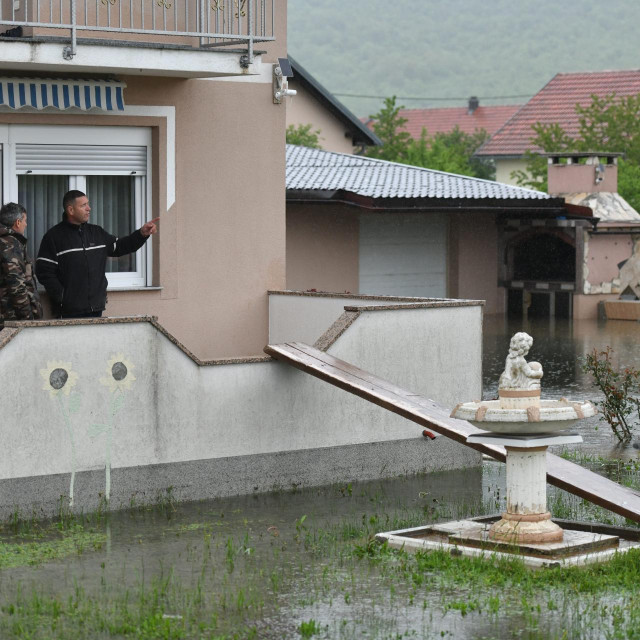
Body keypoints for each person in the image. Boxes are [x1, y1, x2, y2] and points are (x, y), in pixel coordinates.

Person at [36, 190, 158, 318]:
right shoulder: (54, 237)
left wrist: (142, 234)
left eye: (88, 204)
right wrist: (62, 296)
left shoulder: (97, 232)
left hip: (96, 308)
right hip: (68, 311)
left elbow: (120, 247)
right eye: (83, 205)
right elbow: (44, 271)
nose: (89, 208)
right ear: (70, 210)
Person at [0, 202, 42, 325]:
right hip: (10, 317)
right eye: (25, 220)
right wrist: (27, 319)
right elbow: (16, 284)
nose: (26, 224)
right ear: (17, 222)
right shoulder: (10, 244)